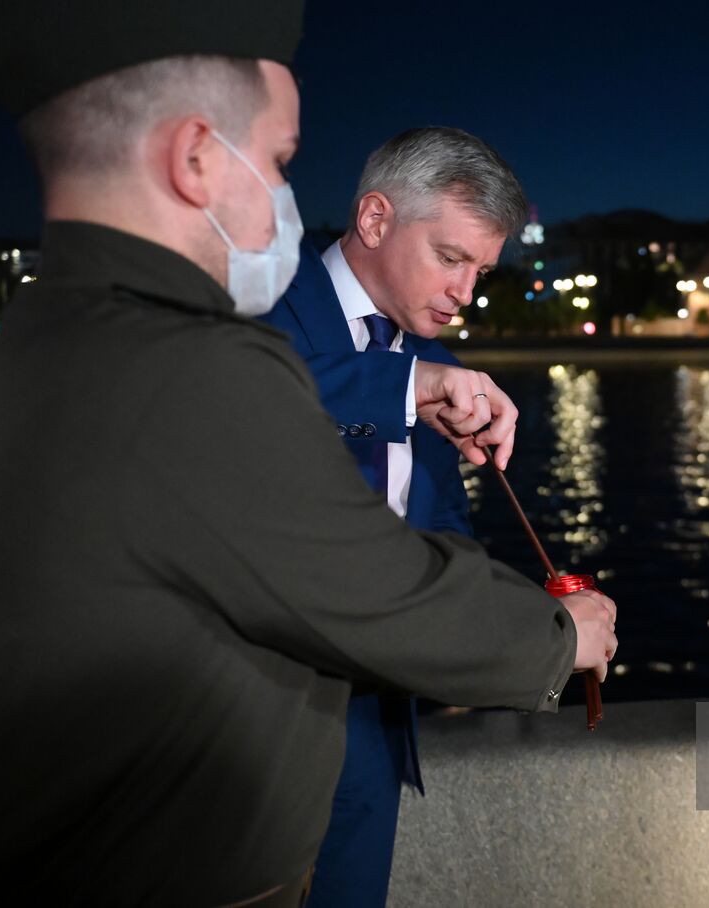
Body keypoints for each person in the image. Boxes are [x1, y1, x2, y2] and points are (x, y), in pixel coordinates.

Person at [0, 2, 616, 905]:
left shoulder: (49, 336)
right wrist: (552, 635)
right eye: (279, 161)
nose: (286, 192)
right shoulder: (196, 354)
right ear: (194, 158)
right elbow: (357, 565)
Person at [258, 126, 527, 907]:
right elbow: (249, 392)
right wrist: (405, 387)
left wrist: (520, 626)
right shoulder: (255, 299)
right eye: (451, 258)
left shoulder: (438, 365)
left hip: (375, 727)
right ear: (375, 220)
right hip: (256, 724)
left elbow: (440, 532)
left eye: (481, 270)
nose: (466, 293)